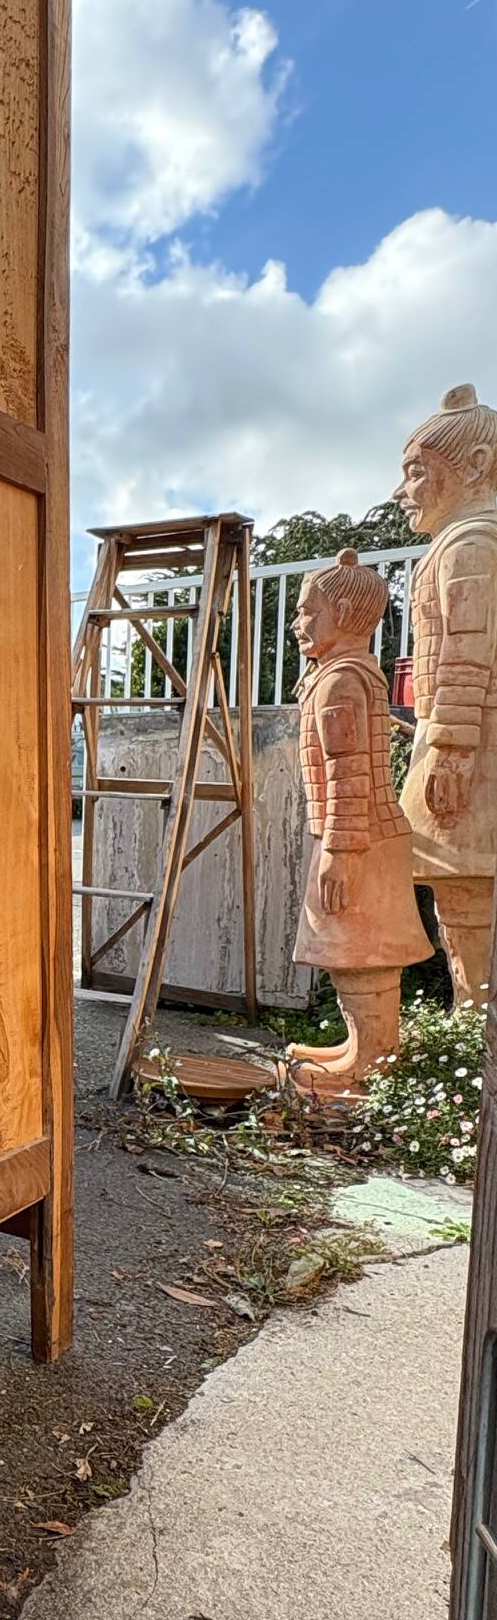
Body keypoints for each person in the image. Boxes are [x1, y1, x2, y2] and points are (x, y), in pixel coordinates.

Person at [288, 550, 430, 1094]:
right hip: (358, 836)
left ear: (345, 611)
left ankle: (372, 1060)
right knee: (347, 947)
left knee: (361, 948)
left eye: (306, 612)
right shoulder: (342, 677)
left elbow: (347, 774)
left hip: (358, 838)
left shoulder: (340, 683)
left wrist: (339, 851)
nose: (298, 624)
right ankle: (360, 1046)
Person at [397, 383, 497, 1007]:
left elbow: (468, 646)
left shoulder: (472, 544)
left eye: (414, 471)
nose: (403, 490)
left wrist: (452, 749)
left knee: (465, 884)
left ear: (478, 465)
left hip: (472, 745)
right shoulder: (457, 543)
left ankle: (473, 1027)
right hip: (455, 738)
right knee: (456, 887)